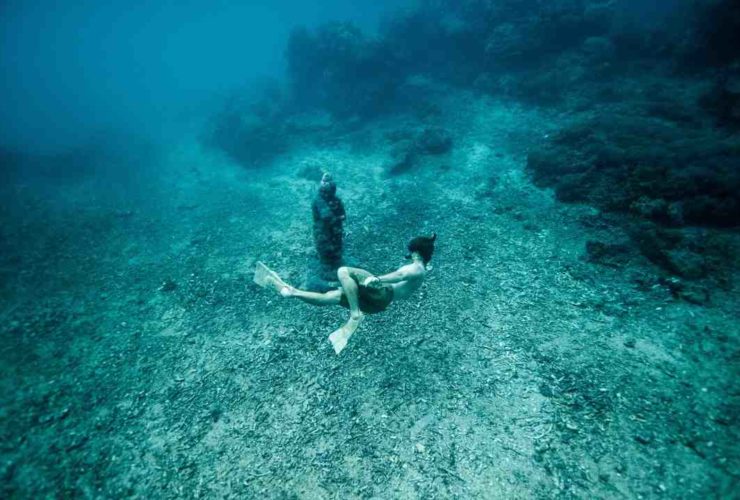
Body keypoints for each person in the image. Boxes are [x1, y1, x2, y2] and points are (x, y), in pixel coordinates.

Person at [254, 234, 436, 354]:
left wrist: (377, 280)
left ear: (416, 252)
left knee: (343, 271)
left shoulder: (416, 267)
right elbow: (413, 271)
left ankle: (355, 314)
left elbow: (401, 274)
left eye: (411, 252)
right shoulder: (424, 268)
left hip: (382, 293)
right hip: (378, 304)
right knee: (332, 296)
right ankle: (291, 292)